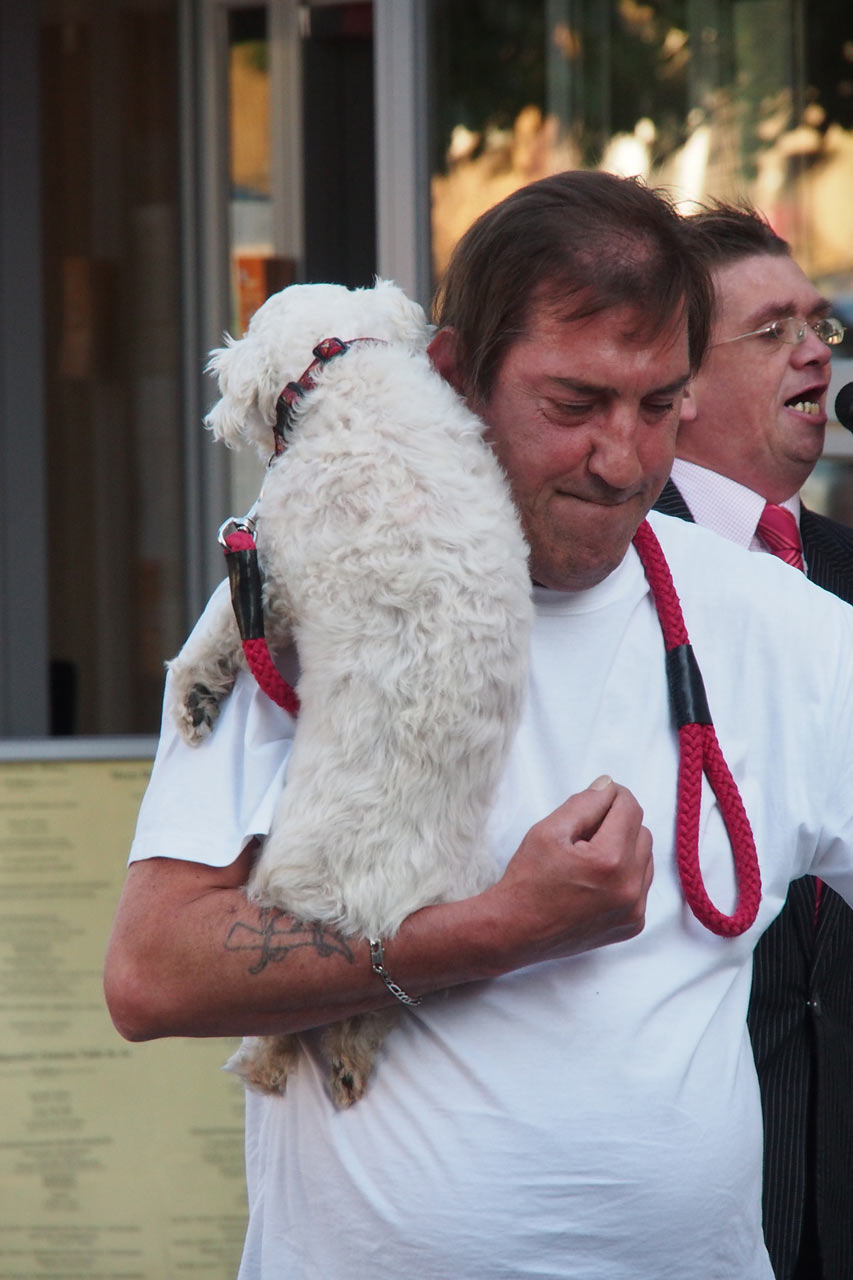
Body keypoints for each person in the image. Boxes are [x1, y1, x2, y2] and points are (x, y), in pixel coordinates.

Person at [104, 171, 853, 1280]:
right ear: (456, 377)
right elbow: (151, 971)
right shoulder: (311, 581)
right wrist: (502, 925)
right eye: (572, 404)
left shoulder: (784, 632)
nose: (623, 459)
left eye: (657, 405)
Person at [654, 202, 853, 1280]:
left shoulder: (844, 568)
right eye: (772, 329)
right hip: (701, 1165)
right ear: (674, 382)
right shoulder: (622, 571)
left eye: (819, 325)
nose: (816, 350)